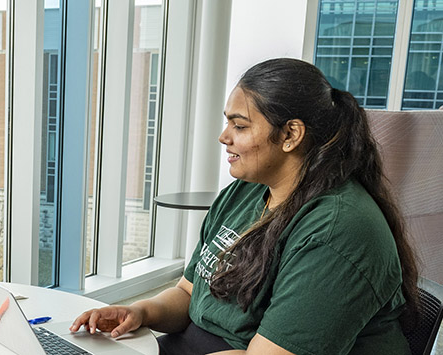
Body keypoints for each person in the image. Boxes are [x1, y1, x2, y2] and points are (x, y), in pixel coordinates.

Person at [70, 58, 419, 354]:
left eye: (239, 125)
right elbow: (189, 292)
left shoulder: (337, 230)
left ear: (290, 135)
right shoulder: (246, 192)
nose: (224, 136)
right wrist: (139, 311)